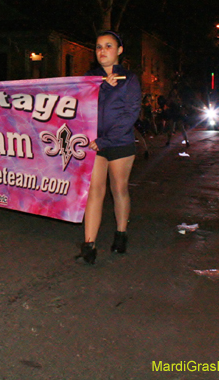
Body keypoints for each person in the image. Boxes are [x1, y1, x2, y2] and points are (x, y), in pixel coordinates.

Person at [78, 30, 141, 264]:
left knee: (119, 188)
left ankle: (121, 233)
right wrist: (103, 87)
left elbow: (130, 113)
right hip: (95, 143)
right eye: (98, 47)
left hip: (120, 142)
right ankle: (89, 243)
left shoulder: (130, 79)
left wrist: (106, 140)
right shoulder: (89, 78)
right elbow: (81, 105)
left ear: (119, 51)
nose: (102, 51)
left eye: (108, 46)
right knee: (95, 190)